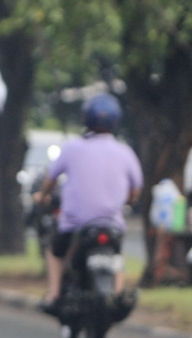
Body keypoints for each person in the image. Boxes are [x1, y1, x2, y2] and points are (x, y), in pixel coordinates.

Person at [32, 93, 142, 309]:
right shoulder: (125, 152)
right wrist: (127, 201)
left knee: (55, 253)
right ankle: (118, 294)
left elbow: (50, 179)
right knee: (117, 254)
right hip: (112, 224)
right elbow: (135, 190)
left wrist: (42, 196)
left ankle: (54, 295)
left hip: (75, 224)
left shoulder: (72, 148)